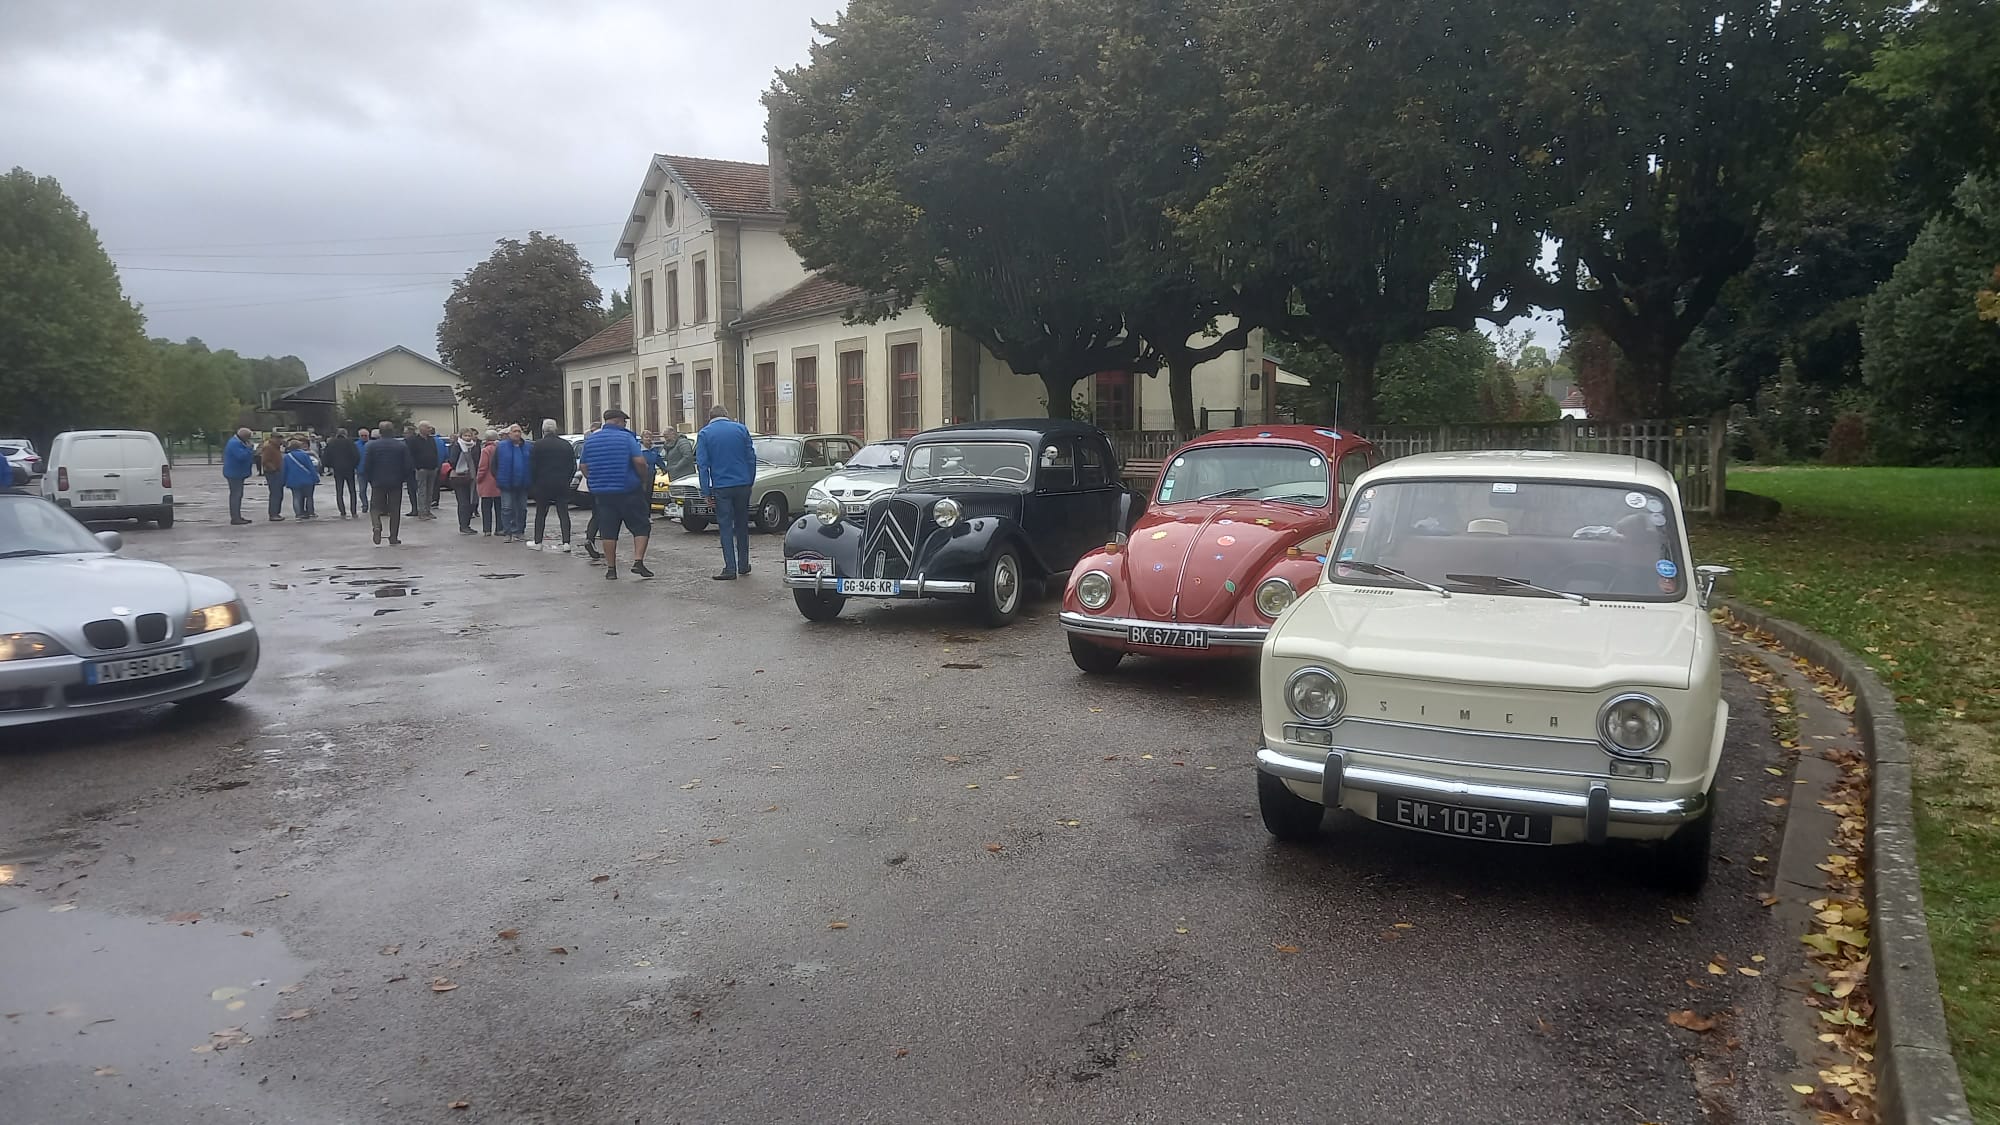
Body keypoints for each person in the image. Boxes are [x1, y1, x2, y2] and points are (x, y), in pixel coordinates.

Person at [578, 408, 653, 581]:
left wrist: (595, 479)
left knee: (608, 530)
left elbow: (583, 466)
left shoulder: (591, 440)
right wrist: (643, 478)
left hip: (603, 493)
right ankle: (638, 562)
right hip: (628, 490)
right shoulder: (627, 438)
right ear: (619, 421)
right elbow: (640, 462)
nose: (625, 425)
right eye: (624, 422)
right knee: (641, 526)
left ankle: (611, 569)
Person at [696, 405, 757, 580]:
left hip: (722, 486)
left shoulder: (705, 434)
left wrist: (706, 492)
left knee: (725, 526)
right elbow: (751, 458)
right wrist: (750, 480)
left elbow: (703, 466)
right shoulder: (741, 429)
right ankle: (743, 564)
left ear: (710, 417)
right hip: (742, 483)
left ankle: (730, 568)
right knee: (742, 525)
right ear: (726, 415)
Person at [362, 420, 415, 546]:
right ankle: (393, 537)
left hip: (377, 481)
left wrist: (370, 479)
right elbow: (408, 465)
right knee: (395, 510)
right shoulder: (401, 446)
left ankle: (376, 525)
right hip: (396, 482)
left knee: (375, 507)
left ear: (380, 432)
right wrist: (403, 478)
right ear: (393, 431)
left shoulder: (372, 446)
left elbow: (366, 465)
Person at [528, 419, 577, 552]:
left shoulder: (538, 445)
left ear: (543, 430)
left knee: (541, 513)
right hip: (561, 483)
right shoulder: (565, 445)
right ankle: (566, 543)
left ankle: (538, 542)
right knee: (563, 512)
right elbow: (572, 465)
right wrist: (567, 479)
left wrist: (534, 482)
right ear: (555, 429)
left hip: (542, 483)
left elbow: (532, 466)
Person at [494, 424, 533, 543]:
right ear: (509, 433)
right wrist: (499, 478)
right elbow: (494, 465)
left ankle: (520, 531)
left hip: (523, 484)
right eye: (514, 431)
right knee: (507, 508)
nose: (517, 433)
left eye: (519, 431)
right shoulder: (501, 447)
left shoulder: (528, 447)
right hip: (507, 484)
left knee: (522, 509)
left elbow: (533, 464)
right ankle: (507, 532)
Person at [446, 428, 480, 534]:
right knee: (463, 502)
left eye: (469, 435)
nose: (467, 438)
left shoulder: (474, 446)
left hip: (472, 476)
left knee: (471, 501)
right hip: (459, 477)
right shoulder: (457, 446)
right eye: (465, 435)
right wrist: (461, 468)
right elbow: (452, 460)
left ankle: (467, 524)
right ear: (461, 436)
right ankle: (463, 526)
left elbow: (477, 460)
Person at [406, 421, 440, 521]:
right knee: (422, 491)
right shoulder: (413, 440)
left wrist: (436, 465)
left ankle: (428, 511)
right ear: (422, 428)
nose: (430, 429)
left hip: (432, 468)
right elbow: (410, 454)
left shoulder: (431, 439)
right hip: (421, 469)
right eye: (428, 427)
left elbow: (435, 452)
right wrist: (416, 467)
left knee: (430, 491)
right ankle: (422, 512)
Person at [322, 428, 359, 518]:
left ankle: (342, 511)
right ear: (345, 434)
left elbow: (325, 456)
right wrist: (354, 466)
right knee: (352, 491)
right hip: (349, 469)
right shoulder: (350, 443)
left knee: (339, 491)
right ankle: (353, 511)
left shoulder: (331, 443)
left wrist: (330, 466)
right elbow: (356, 456)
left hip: (337, 469)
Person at [222, 427, 256, 525]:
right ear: (244, 437)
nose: (249, 440)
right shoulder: (235, 443)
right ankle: (235, 518)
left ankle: (237, 516)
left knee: (237, 495)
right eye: (248, 438)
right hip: (234, 473)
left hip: (237, 472)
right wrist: (249, 448)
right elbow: (241, 456)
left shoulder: (237, 442)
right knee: (236, 495)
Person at [283, 438, 319, 519]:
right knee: (309, 497)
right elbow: (310, 467)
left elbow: (284, 470)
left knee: (296, 497)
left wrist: (284, 480)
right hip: (307, 479)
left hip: (293, 480)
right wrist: (316, 478)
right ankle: (311, 512)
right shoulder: (304, 455)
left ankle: (298, 514)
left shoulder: (287, 457)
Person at [258, 433, 286, 522]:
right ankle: (273, 514)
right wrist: (274, 469)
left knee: (279, 493)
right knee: (275, 493)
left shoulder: (276, 447)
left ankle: (276, 513)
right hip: (272, 473)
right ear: (274, 439)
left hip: (277, 472)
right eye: (279, 439)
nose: (281, 441)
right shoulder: (269, 447)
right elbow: (265, 461)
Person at [354, 429, 372, 513]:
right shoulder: (355, 445)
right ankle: (365, 505)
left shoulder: (372, 444)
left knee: (376, 490)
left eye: (366, 436)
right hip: (361, 471)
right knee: (362, 490)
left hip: (372, 471)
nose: (364, 437)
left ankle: (374, 505)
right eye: (362, 436)